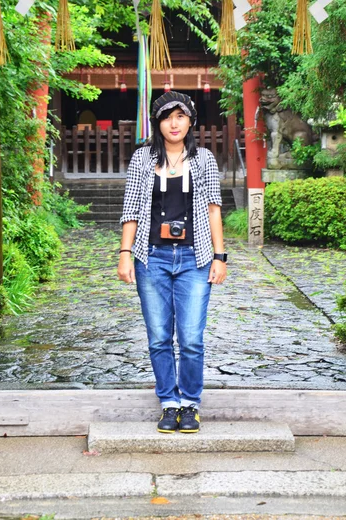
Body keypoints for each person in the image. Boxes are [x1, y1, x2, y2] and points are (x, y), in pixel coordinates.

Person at [117, 91, 227, 434]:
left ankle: (190, 403)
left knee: (191, 337)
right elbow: (131, 209)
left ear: (190, 120)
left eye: (180, 116)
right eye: (167, 117)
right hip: (152, 258)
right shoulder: (142, 159)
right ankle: (168, 402)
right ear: (158, 123)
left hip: (196, 258)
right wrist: (125, 254)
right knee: (159, 336)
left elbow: (213, 207)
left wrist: (220, 256)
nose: (174, 123)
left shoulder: (205, 159)